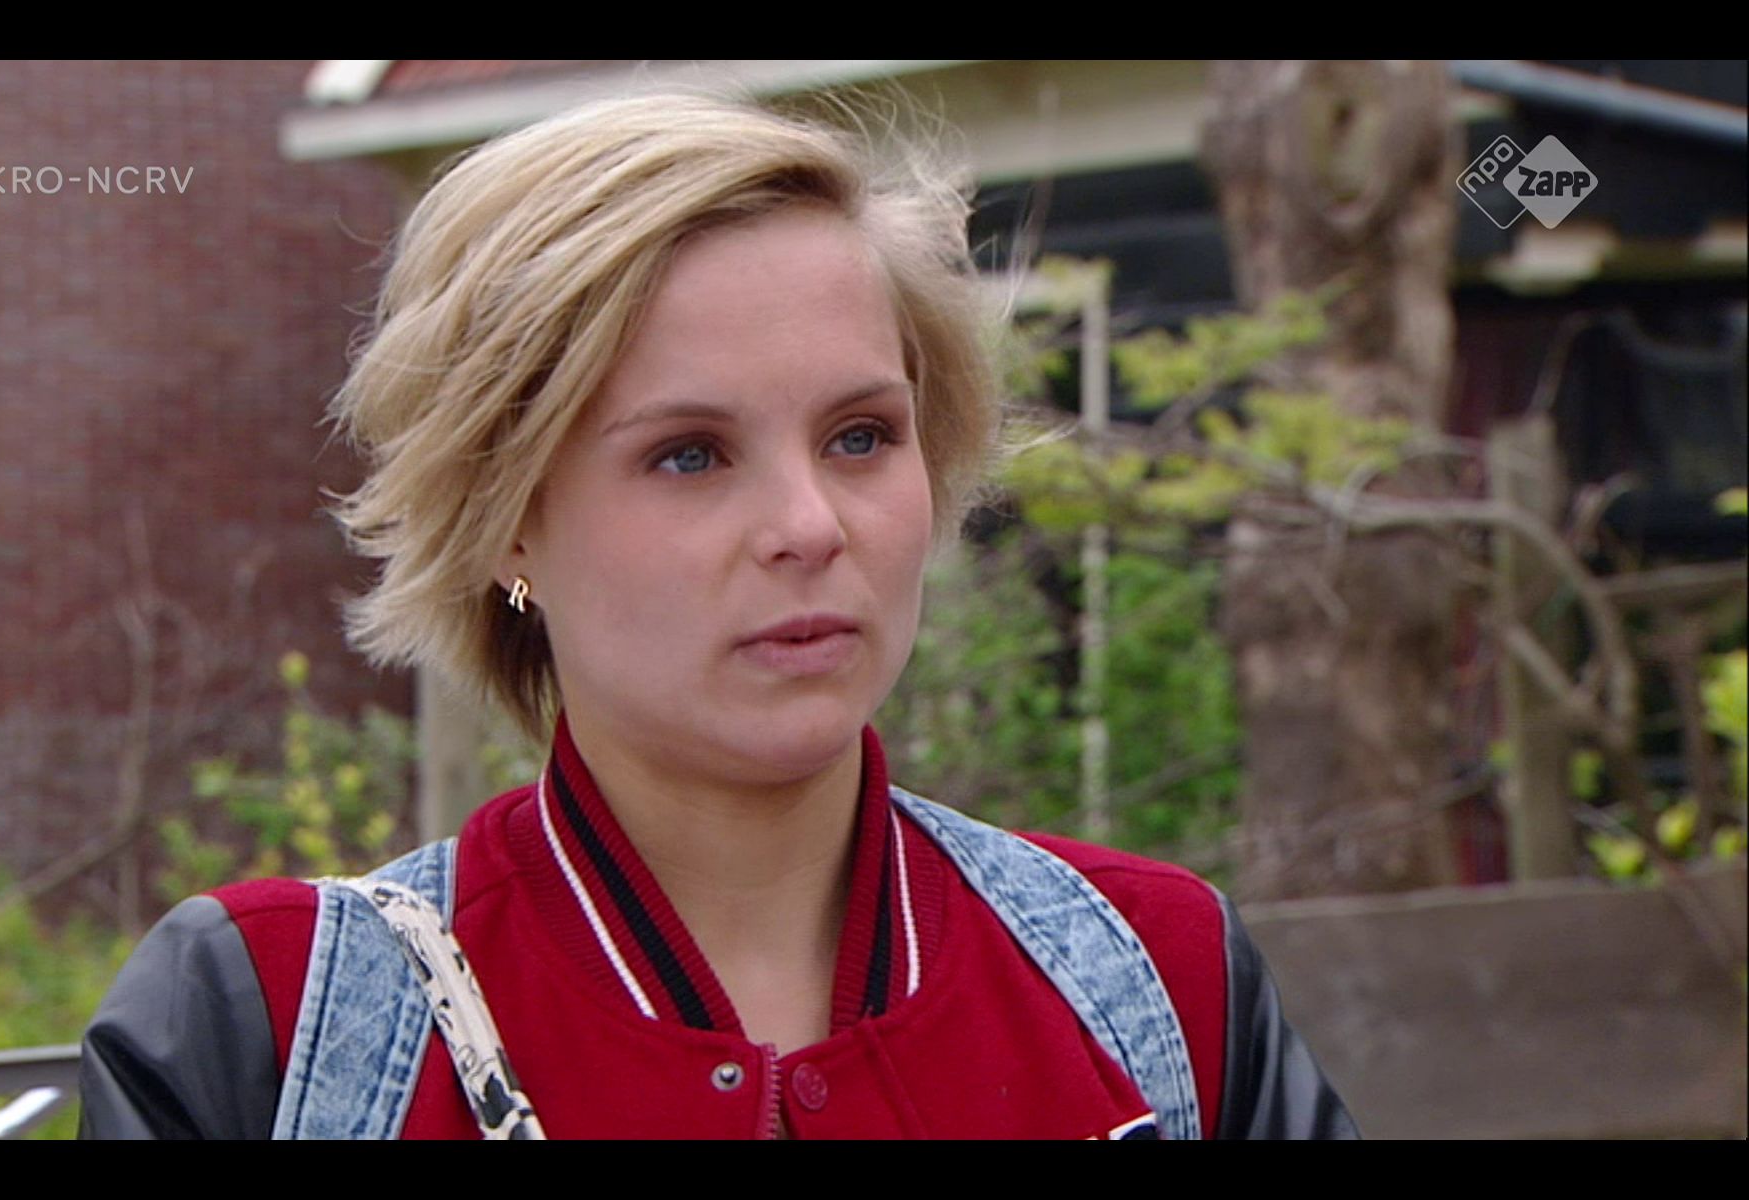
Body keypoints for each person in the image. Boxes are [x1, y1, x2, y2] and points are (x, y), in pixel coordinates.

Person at [78, 90, 1359, 1140]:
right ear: (506, 516)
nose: (810, 524)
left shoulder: (1156, 983)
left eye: (861, 436)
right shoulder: (273, 1026)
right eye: (689, 454)